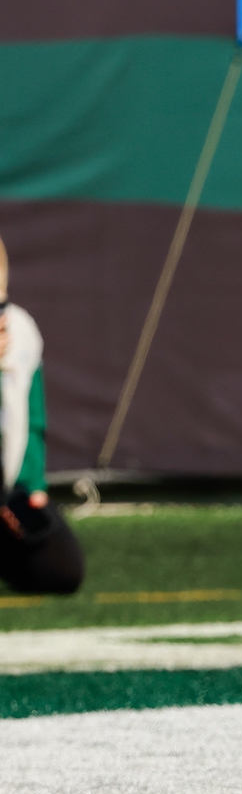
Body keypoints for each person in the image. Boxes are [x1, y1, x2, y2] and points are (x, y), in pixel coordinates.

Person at [0, 238, 82, 599]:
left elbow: (32, 418)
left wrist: (31, 486)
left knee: (62, 568)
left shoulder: (22, 329)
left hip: (4, 488)